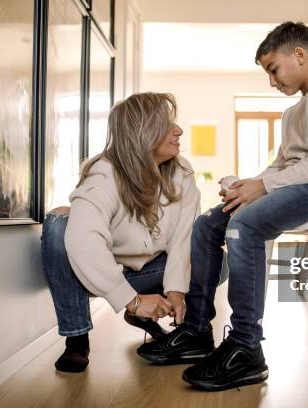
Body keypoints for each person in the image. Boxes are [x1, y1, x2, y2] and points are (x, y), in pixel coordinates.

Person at [137, 22, 308, 391]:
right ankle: (197, 330)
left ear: (300, 55)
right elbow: (281, 168)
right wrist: (248, 185)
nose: (272, 81)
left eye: (274, 69)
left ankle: (246, 346)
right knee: (207, 224)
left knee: (245, 225)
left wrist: (263, 187)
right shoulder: (293, 113)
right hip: (306, 187)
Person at [41, 92, 201, 373]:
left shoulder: (182, 174)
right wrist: (132, 300)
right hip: (96, 274)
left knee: (215, 258)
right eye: (167, 125)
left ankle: (169, 325)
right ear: (143, 132)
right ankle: (76, 338)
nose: (179, 131)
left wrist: (176, 291)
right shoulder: (104, 173)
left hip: (150, 270)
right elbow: (82, 241)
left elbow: (184, 237)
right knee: (57, 226)